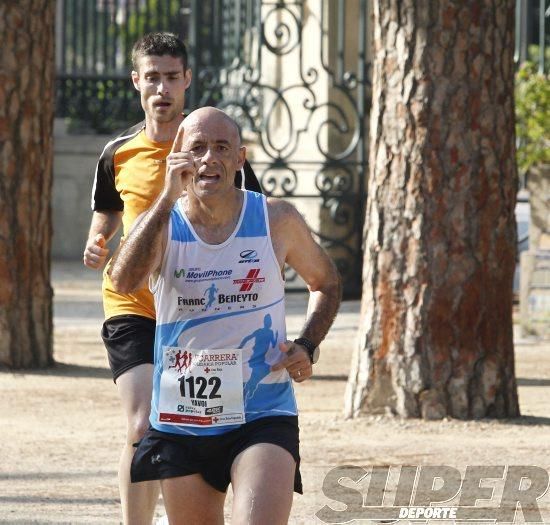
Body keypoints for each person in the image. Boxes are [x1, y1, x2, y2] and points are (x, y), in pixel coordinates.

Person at [108, 106, 342, 524]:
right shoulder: (163, 225)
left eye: (221, 147)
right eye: (196, 148)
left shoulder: (275, 219)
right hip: (182, 421)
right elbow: (123, 281)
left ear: (240, 158)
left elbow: (325, 283)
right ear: (178, 157)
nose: (208, 159)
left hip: (263, 414)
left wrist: (306, 344)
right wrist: (165, 198)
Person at [82, 33, 261, 524]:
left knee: (203, 425)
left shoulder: (214, 146)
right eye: (152, 77)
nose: (162, 88)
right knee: (141, 425)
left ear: (186, 82)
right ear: (137, 81)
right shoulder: (117, 152)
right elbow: (107, 214)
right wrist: (97, 242)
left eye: (171, 77)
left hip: (201, 311)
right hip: (134, 305)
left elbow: (254, 220)